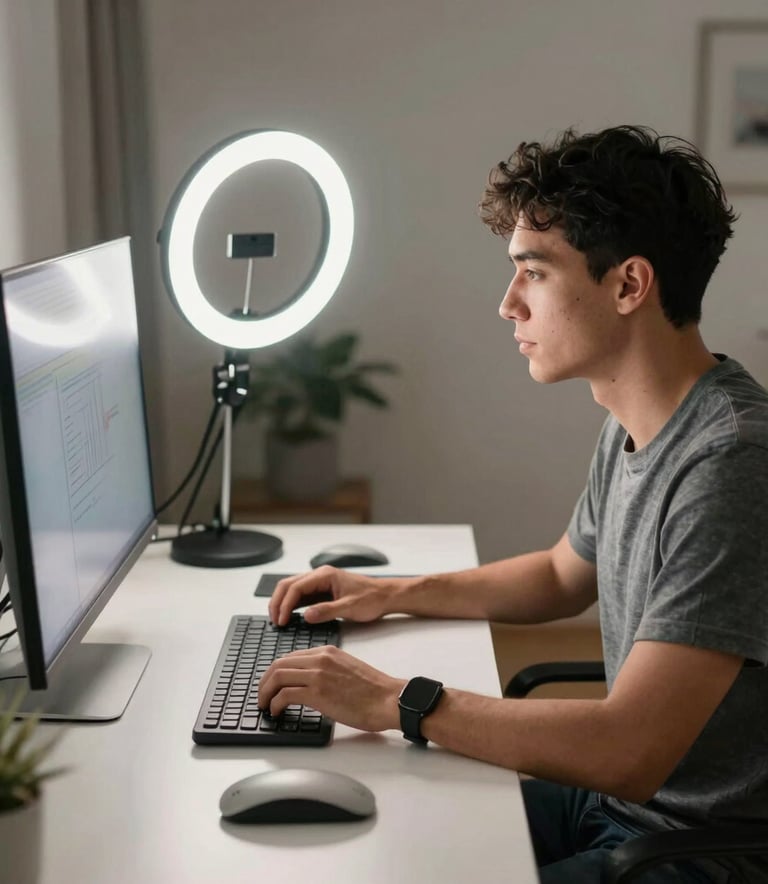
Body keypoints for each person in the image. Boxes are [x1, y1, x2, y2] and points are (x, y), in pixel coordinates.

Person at [258, 125, 768, 884]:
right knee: (381, 832)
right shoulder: (643, 418)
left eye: (533, 273)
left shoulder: (732, 461)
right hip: (619, 805)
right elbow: (565, 574)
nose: (507, 306)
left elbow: (629, 749)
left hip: (695, 849)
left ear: (629, 285)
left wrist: (395, 700)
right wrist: (389, 594)